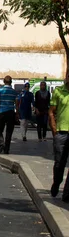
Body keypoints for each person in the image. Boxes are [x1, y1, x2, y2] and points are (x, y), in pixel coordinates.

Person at [49, 71, 69, 201]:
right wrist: (54, 130)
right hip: (61, 133)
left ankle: (67, 194)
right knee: (59, 164)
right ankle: (56, 183)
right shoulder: (58, 91)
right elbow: (51, 112)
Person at [0, 75, 19, 154]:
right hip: (11, 113)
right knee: (9, 132)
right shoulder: (14, 92)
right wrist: (17, 113)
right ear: (11, 82)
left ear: (4, 82)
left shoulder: (0, 90)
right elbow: (17, 104)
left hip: (2, 112)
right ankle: (7, 149)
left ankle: (1, 144)